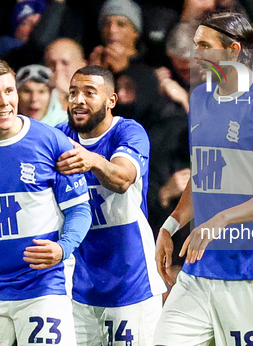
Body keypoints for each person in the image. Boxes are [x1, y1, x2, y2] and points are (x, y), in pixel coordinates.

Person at [154, 12, 253, 345]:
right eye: (195, 45)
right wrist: (172, 225)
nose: (195, 54)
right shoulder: (201, 98)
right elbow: (204, 174)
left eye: (204, 46)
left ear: (233, 50)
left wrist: (220, 220)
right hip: (201, 268)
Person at [0, 59, 92, 345]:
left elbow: (80, 209)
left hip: (43, 286)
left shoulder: (50, 141)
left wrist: (64, 247)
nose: (4, 102)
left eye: (9, 91)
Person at [55, 65, 166, 345]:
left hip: (129, 283)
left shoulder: (128, 132)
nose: (78, 100)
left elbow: (123, 178)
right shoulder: (58, 136)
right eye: (73, 93)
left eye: (89, 93)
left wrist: (92, 159)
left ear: (111, 101)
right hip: (79, 286)